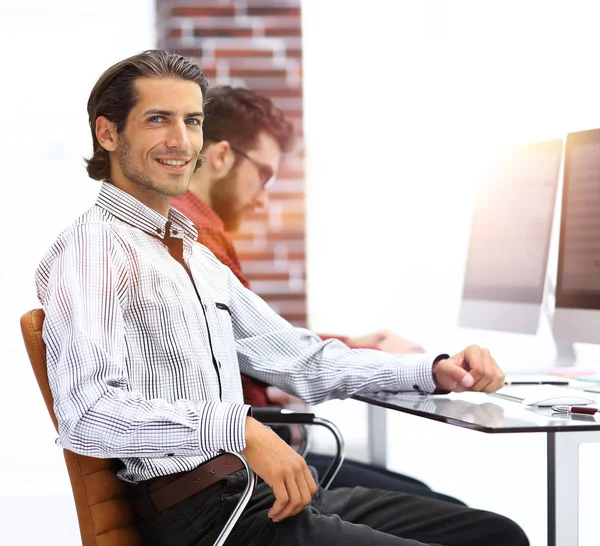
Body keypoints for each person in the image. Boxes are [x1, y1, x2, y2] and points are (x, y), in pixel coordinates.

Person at [36, 50, 528, 546]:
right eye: (157, 119)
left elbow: (301, 359)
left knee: (494, 534)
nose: (181, 141)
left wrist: (432, 370)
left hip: (253, 492)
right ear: (108, 133)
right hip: (204, 517)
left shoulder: (193, 256)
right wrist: (238, 429)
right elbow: (90, 413)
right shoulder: (92, 248)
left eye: (192, 121)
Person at [171, 85, 459, 503]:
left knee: (427, 498)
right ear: (220, 157)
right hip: (246, 470)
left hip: (242, 459)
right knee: (470, 521)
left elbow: (260, 344)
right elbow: (276, 355)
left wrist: (361, 348)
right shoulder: (196, 243)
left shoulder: (194, 232)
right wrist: (404, 363)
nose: (263, 200)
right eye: (264, 176)